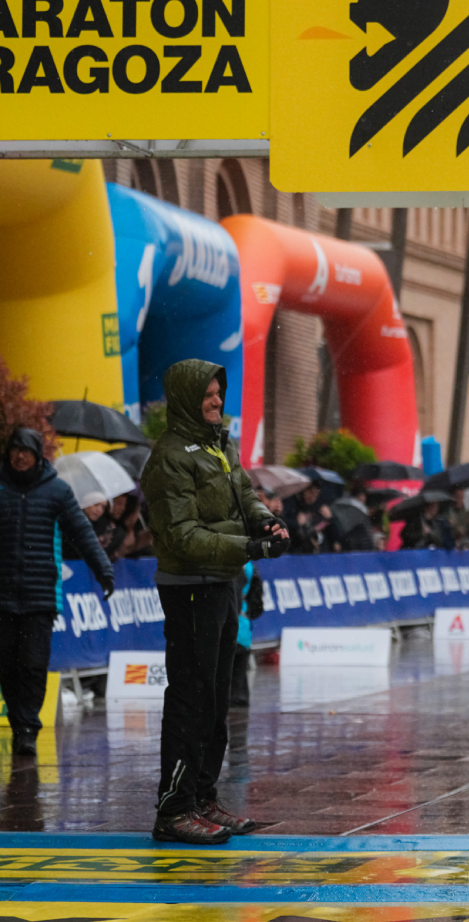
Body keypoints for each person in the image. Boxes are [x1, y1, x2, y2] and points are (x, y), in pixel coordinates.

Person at [140, 359, 287, 846]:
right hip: (190, 587)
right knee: (190, 699)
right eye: (207, 395)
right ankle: (174, 808)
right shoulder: (169, 458)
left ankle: (203, 798)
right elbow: (182, 536)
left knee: (217, 702)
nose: (216, 402)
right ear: (185, 397)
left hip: (222, 582)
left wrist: (264, 522)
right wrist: (246, 545)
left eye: (219, 394)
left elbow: (244, 494)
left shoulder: (219, 444)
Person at [0, 426, 114, 756]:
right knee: (8, 665)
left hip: (41, 596)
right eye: (15, 450)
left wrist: (103, 571)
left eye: (26, 450)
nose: (20, 456)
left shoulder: (57, 492)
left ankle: (28, 727)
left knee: (34, 663)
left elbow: (83, 534)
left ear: (38, 454)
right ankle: (17, 720)